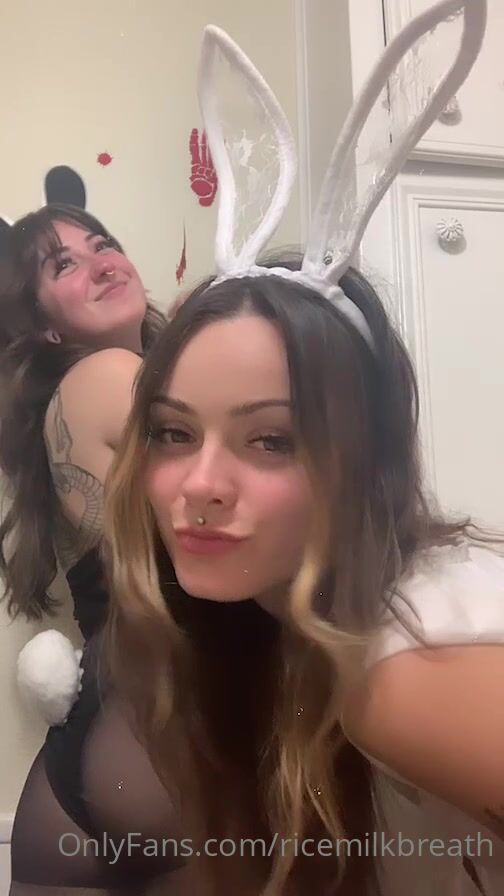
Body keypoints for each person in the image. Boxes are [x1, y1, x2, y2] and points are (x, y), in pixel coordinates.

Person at [98, 5, 501, 895]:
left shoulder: (402, 673)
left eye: (272, 440)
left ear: (363, 462)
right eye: (173, 432)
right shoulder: (276, 624)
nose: (201, 484)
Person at [0, 203, 172, 894]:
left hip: (90, 759)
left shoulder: (73, 399)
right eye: (64, 264)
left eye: (103, 244)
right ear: (44, 323)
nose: (101, 263)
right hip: (164, 730)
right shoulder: (110, 372)